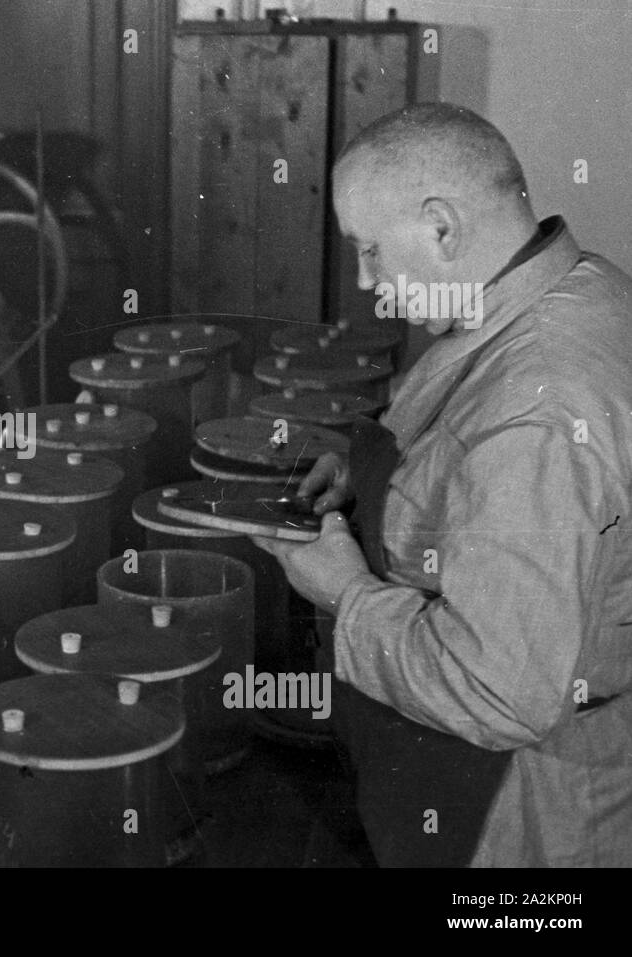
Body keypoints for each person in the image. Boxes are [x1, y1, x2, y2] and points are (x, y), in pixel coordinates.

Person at [254, 103, 632, 867]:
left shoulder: (542, 410)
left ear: (441, 228)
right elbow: (466, 448)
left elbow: (498, 687)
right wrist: (360, 464)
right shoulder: (574, 287)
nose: (364, 281)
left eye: (369, 251)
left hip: (514, 819)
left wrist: (346, 593)